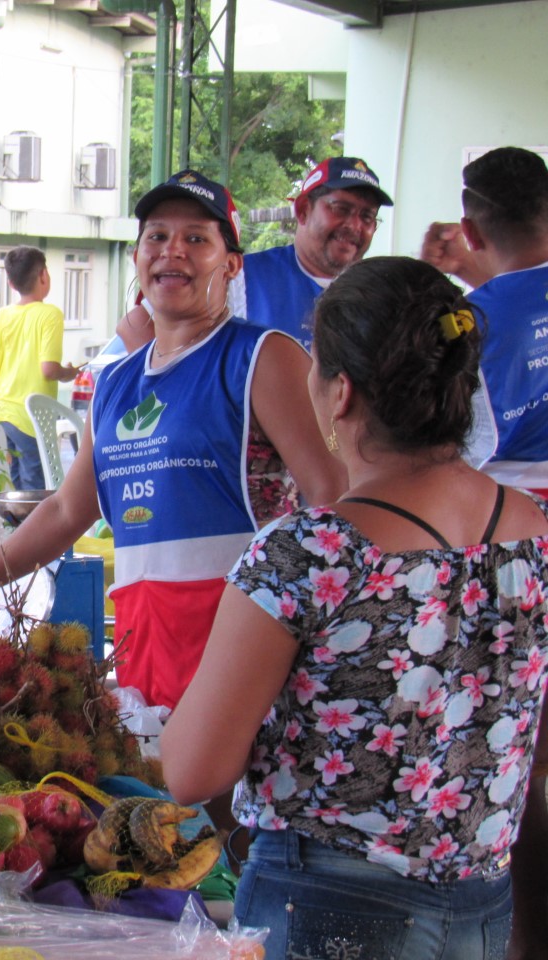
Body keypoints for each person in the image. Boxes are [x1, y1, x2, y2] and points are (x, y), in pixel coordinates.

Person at [160, 256, 548, 960]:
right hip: (482, 907)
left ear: (339, 393)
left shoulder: (309, 553)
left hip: (329, 905)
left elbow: (193, 773)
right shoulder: (535, 533)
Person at [0, 170, 345, 712]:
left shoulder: (263, 356)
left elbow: (332, 499)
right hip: (144, 639)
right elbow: (65, 512)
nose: (174, 251)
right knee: (160, 789)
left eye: (197, 238)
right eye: (158, 236)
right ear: (137, 256)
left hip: (241, 645)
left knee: (222, 792)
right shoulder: (116, 382)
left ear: (231, 263)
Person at [420, 146, 548, 960]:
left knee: (516, 765)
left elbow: (444, 454)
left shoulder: (471, 322)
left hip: (506, 550)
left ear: (469, 226)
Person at [119, 157, 392, 353]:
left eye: (367, 217)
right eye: (341, 209)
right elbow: (135, 325)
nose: (354, 226)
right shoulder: (239, 274)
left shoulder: (375, 293)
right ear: (304, 211)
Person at [421, 146, 548, 496]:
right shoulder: (473, 315)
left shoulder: (459, 322)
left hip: (508, 519)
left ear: (470, 233)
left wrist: (426, 283)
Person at [0, 246, 80, 490]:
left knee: (10, 485)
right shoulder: (50, 314)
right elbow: (49, 370)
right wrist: (68, 373)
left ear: (10, 283)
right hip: (30, 419)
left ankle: (14, 528)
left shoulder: (1, 316)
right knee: (35, 491)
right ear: (43, 275)